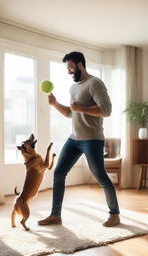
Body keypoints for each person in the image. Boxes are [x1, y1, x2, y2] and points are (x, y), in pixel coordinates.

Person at [38, 51, 120, 227]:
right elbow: (70, 113)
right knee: (59, 172)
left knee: (101, 176)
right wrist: (55, 104)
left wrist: (81, 108)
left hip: (92, 139)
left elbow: (106, 110)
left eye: (70, 67)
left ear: (80, 65)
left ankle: (114, 214)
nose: (68, 71)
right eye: (67, 68)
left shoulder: (95, 83)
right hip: (74, 139)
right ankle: (55, 215)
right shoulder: (73, 88)